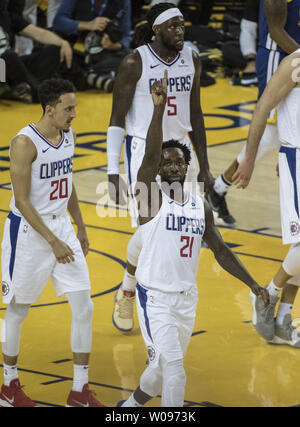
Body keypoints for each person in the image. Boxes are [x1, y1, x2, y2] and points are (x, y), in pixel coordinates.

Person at [116, 72, 269, 407]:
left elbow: (221, 250)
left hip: (187, 300)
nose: (173, 166)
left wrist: (253, 284)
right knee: (176, 372)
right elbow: (148, 158)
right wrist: (158, 109)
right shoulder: (151, 198)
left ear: (187, 167)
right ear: (157, 169)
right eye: (166, 162)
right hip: (155, 299)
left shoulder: (200, 205)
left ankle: (126, 410)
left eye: (179, 162)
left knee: (158, 371)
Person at [109, 3, 214, 332]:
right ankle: (130, 289)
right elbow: (116, 120)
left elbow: (195, 114)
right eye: (173, 26)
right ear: (156, 30)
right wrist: (112, 171)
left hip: (180, 153)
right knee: (147, 230)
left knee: (177, 225)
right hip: (145, 150)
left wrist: (206, 165)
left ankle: (157, 294)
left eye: (182, 25)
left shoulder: (191, 58)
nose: (180, 31)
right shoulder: (133, 62)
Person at [0, 79, 103, 407]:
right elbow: (22, 200)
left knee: (84, 306)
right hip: (30, 234)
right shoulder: (23, 143)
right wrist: (53, 241)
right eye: (68, 108)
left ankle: (79, 391)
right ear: (50, 109)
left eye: (74, 107)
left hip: (62, 228)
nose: (74, 113)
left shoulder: (68, 134)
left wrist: (80, 224)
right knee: (17, 310)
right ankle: (8, 385)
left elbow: (67, 182)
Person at [207, 0, 300, 226]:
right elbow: (276, 32)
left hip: (294, 56)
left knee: (281, 132)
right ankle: (216, 191)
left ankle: (217, 190)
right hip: (276, 57)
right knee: (269, 134)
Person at [233, 47, 300, 347]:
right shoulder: (294, 63)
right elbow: (262, 107)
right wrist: (248, 158)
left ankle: (284, 319)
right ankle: (267, 294)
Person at [0, 0, 73, 103]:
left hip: (12, 69)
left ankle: (23, 88)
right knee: (8, 57)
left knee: (56, 49)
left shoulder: (6, 16)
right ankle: (37, 90)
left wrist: (62, 43)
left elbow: (34, 31)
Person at [52, 0, 132, 93]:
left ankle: (85, 76)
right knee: (55, 50)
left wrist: (115, 45)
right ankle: (93, 77)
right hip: (76, 51)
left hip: (103, 54)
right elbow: (58, 22)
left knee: (131, 55)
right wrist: (87, 25)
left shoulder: (124, 1)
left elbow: (126, 36)